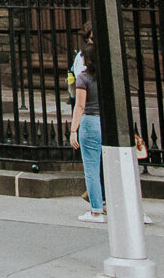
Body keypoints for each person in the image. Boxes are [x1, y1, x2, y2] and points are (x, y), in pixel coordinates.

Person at [71, 32, 104, 222]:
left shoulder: (83, 78)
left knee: (91, 169)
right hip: (104, 123)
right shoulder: (104, 76)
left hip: (90, 122)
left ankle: (96, 210)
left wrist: (73, 129)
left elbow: (80, 105)